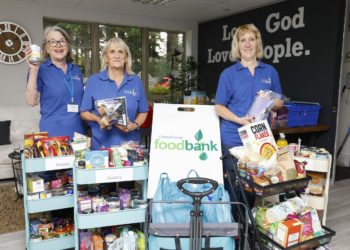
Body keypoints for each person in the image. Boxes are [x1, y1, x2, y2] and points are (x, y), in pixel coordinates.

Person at [215, 23, 284, 172]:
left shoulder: (270, 71)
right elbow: (219, 107)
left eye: (251, 39)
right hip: (234, 137)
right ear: (237, 45)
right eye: (243, 40)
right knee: (236, 184)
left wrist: (269, 99)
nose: (247, 44)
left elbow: (280, 102)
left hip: (260, 138)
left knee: (257, 184)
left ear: (257, 43)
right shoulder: (228, 74)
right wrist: (239, 120)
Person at [80, 37, 148, 150]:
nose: (117, 55)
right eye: (112, 51)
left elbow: (143, 111)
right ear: (106, 57)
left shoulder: (135, 81)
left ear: (126, 58)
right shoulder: (94, 81)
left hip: (130, 145)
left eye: (120, 52)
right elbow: (83, 112)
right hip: (101, 146)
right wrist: (98, 119)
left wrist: (134, 125)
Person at [25, 26, 87, 139]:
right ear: (47, 48)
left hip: (79, 135)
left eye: (62, 41)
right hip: (53, 136)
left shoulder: (76, 69)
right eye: (53, 42)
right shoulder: (40, 69)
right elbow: (31, 101)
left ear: (68, 45)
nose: (58, 45)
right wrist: (33, 70)